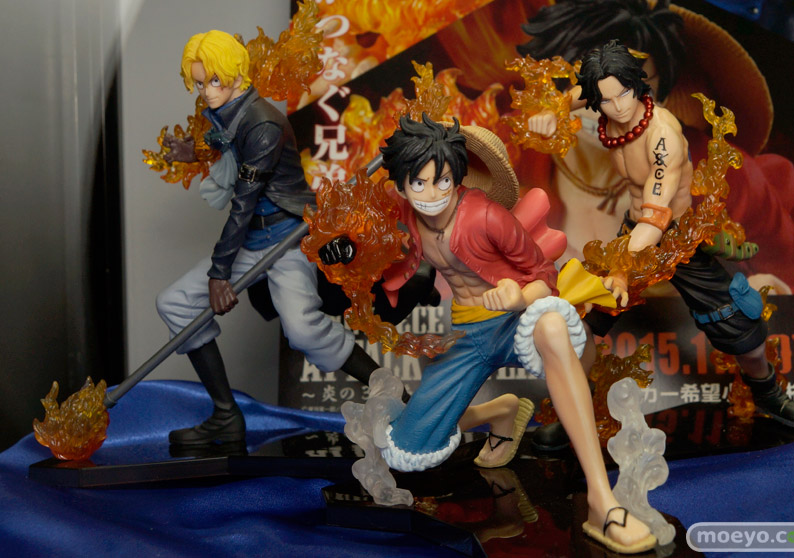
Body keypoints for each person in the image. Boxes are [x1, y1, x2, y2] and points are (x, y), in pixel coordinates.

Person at [332, 115, 656, 553]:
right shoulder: (406, 214)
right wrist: (345, 248)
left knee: (552, 325)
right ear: (402, 185)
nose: (432, 194)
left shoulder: (486, 215)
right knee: (405, 448)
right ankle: (500, 412)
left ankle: (602, 501)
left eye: (442, 181)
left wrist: (517, 296)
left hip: (516, 321)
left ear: (456, 176)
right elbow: (367, 243)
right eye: (418, 183)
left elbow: (545, 277)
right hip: (468, 335)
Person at [528, 40, 794, 430]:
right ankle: (576, 413)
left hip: (676, 238)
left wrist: (621, 268)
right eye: (606, 100)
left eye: (624, 94)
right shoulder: (605, 98)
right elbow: (585, 90)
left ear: (638, 84)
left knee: (740, 329)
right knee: (584, 320)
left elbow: (656, 217)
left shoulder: (663, 135)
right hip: (633, 231)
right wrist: (554, 110)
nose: (618, 107)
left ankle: (767, 391)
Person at [156, 30, 385, 446]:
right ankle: (225, 415)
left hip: (286, 239)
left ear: (236, 73)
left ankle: (390, 391)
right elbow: (227, 148)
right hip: (252, 242)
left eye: (215, 81)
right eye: (200, 82)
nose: (207, 91)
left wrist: (219, 274)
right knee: (174, 302)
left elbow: (244, 202)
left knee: (302, 329)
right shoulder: (226, 112)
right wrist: (195, 153)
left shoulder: (263, 123)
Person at [515, 0, 794, 294]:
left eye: (636, 89)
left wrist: (777, 295)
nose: (610, 109)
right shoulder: (512, 157)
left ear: (660, 94)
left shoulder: (684, 151)